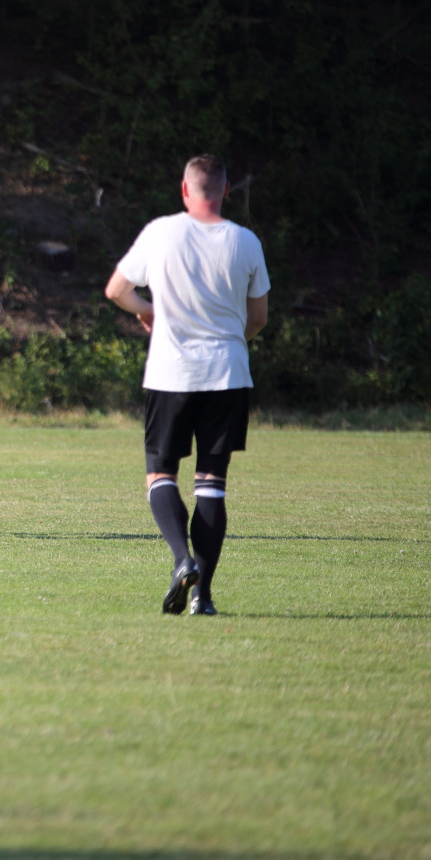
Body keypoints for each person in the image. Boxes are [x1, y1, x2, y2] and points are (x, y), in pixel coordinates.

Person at [104, 155, 269, 616]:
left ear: (184, 189)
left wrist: (150, 312)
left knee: (160, 474)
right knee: (211, 484)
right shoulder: (246, 241)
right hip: (228, 374)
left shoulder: (161, 232)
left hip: (172, 372)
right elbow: (258, 318)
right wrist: (230, 341)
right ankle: (203, 597)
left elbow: (116, 290)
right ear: (226, 190)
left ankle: (183, 560)